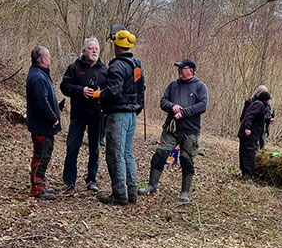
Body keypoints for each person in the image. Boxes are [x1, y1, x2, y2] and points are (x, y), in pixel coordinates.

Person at [140, 58, 209, 204]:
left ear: (191, 70)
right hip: (171, 128)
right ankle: (152, 185)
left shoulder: (200, 86)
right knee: (160, 155)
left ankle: (185, 192)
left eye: (182, 68)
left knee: (186, 159)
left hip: (190, 130)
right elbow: (163, 102)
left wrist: (183, 113)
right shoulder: (173, 85)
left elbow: (202, 106)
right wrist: (172, 106)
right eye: (178, 68)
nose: (179, 71)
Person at [97, 29, 145, 206]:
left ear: (116, 47)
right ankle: (131, 192)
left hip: (118, 115)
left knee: (115, 154)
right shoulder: (136, 65)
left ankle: (119, 194)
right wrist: (136, 109)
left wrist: (99, 95)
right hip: (131, 115)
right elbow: (141, 91)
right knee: (127, 154)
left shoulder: (116, 66)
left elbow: (113, 92)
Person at [59, 36, 106, 194]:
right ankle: (69, 181)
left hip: (97, 115)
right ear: (84, 51)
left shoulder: (104, 70)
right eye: (91, 48)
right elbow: (64, 86)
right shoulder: (74, 68)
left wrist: (101, 95)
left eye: (96, 49)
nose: (94, 51)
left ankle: (92, 180)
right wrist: (81, 90)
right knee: (72, 148)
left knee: (95, 149)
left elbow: (110, 92)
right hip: (78, 115)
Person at [26, 45, 61, 199]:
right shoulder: (38, 77)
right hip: (42, 126)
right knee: (41, 156)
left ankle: (40, 185)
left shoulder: (39, 74)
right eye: (49, 57)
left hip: (42, 125)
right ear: (43, 60)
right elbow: (41, 102)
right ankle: (37, 189)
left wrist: (57, 108)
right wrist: (53, 118)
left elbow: (44, 99)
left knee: (43, 155)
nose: (50, 59)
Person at [238, 90, 271, 180]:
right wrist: (247, 128)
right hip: (249, 134)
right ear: (266, 100)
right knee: (249, 153)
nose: (269, 102)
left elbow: (259, 118)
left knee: (245, 152)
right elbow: (249, 115)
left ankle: (245, 173)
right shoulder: (259, 105)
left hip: (251, 134)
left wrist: (268, 119)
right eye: (268, 100)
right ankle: (247, 175)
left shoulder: (261, 106)